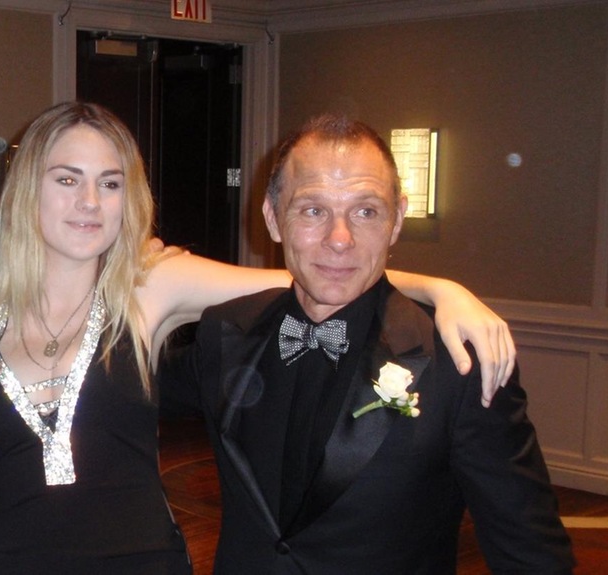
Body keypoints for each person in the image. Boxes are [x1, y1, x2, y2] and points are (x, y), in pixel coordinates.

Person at [0, 102, 519, 574]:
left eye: (110, 184)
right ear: (25, 190)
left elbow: (314, 273)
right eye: (67, 179)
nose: (90, 203)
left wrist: (444, 289)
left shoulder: (150, 286)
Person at [163, 114, 574, 573]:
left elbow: (530, 551)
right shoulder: (227, 332)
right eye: (313, 210)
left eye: (366, 211)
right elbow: (119, 394)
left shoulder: (458, 363)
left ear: (396, 220)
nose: (340, 239)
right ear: (272, 218)